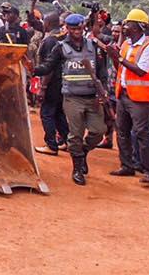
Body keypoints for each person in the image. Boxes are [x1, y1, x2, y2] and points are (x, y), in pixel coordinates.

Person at [45, 13, 108, 185]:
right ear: (67, 28)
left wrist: (103, 91)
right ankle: (77, 168)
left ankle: (83, 152)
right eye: (73, 29)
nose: (77, 32)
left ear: (84, 27)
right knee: (75, 135)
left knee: (98, 132)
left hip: (92, 97)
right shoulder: (60, 47)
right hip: (72, 97)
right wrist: (34, 70)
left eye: (79, 28)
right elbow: (48, 66)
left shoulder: (93, 46)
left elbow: (102, 72)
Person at [106, 8, 149, 185]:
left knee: (142, 134)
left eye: (127, 24)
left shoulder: (148, 48)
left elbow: (141, 71)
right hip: (123, 94)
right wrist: (115, 57)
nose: (124, 27)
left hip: (140, 98)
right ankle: (126, 165)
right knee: (122, 131)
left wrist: (119, 58)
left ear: (136, 27)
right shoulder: (127, 44)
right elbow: (121, 67)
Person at [33, 12, 69, 156]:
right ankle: (68, 141)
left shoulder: (49, 41)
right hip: (63, 81)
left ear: (47, 23)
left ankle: (51, 145)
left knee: (47, 113)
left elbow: (49, 67)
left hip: (52, 82)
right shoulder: (64, 38)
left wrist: (43, 87)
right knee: (59, 113)